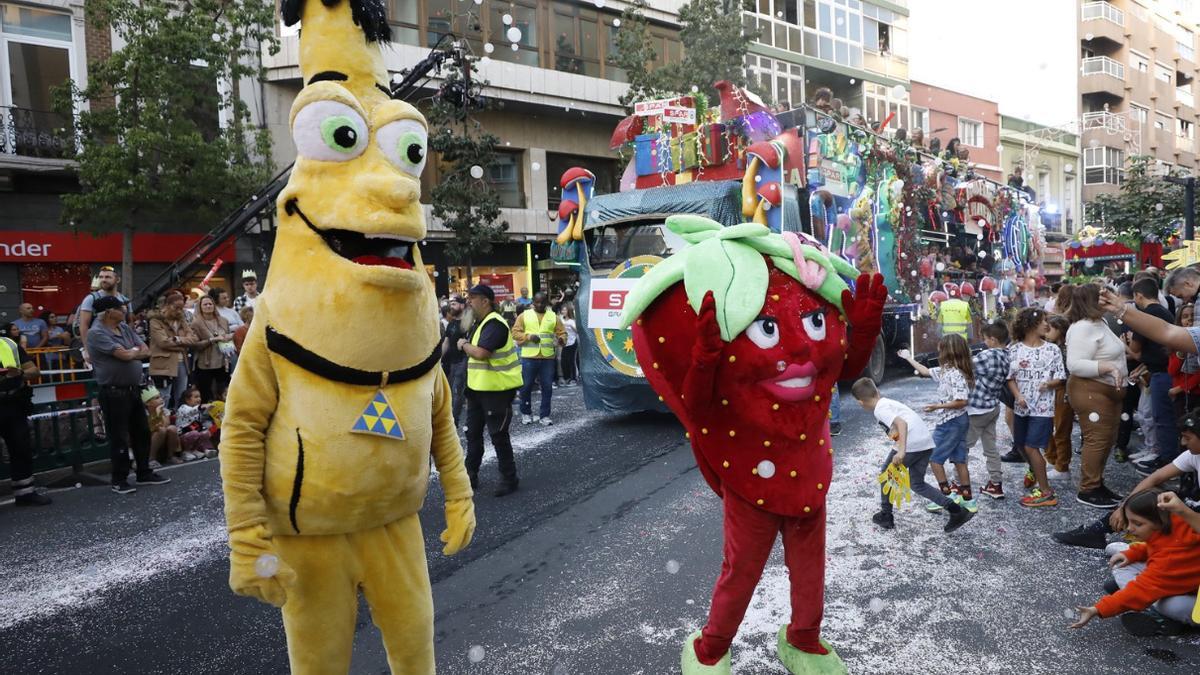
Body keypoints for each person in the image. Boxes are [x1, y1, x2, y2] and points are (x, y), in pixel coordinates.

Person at [1069, 489, 1200, 636]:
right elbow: (1155, 545)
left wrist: (1096, 609)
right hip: (1182, 581)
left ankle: (1160, 619)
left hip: (1192, 597)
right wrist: (1132, 553)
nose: (1130, 528)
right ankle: (1143, 598)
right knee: (1120, 558)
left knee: (1169, 606)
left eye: (1137, 523)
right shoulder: (1178, 521)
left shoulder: (1169, 560)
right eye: (1129, 521)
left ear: (1159, 523)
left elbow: (1140, 590)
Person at [852, 378, 974, 532]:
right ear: (877, 391)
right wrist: (898, 443)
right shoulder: (887, 403)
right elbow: (896, 429)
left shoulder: (880, 409)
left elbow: (902, 424)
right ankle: (956, 511)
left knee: (887, 475)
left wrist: (901, 451)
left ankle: (886, 515)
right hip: (925, 443)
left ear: (860, 402)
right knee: (916, 483)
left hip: (911, 445)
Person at [85, 295, 170, 494]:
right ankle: (119, 479)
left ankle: (143, 471)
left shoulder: (123, 328)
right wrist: (131, 352)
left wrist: (132, 352)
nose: (124, 311)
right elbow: (123, 354)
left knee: (141, 431)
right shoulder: (96, 333)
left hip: (133, 389)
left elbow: (145, 350)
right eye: (120, 309)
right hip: (113, 392)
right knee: (119, 437)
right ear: (108, 312)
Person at [898, 334, 977, 512]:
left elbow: (962, 401)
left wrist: (937, 406)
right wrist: (908, 358)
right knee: (959, 460)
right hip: (957, 421)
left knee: (935, 459)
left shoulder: (955, 374)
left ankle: (945, 497)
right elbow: (925, 371)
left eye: (941, 348)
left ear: (949, 351)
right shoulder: (947, 370)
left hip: (951, 422)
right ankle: (968, 500)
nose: (938, 351)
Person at [1066, 284, 1127, 509]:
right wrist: (1109, 368)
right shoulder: (1083, 327)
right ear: (1093, 300)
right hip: (1091, 389)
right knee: (1097, 440)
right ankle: (1088, 489)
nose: (1111, 298)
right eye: (1105, 296)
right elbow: (1074, 364)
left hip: (1105, 390)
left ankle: (1097, 483)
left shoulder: (1098, 322)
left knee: (1106, 440)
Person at [459, 284, 522, 496]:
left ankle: (509, 478)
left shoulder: (495, 324)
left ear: (485, 301)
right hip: (478, 390)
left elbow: (481, 353)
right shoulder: (481, 323)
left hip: (496, 392)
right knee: (473, 434)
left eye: (472, 298)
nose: (469, 301)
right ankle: (471, 475)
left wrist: (463, 345)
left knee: (498, 435)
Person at [1007, 308, 1066, 508]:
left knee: (1032, 447)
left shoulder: (1052, 350)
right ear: (1030, 325)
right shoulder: (1014, 349)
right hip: (1021, 408)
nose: (1047, 325)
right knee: (1023, 445)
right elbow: (1010, 378)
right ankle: (1037, 476)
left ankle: (1046, 492)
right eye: (1043, 321)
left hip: (1042, 409)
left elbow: (1060, 378)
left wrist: (1048, 384)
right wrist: (1018, 396)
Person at [1127, 277, 1180, 477]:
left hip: (1160, 373)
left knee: (1160, 418)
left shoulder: (1146, 317)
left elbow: (1136, 351)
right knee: (1159, 416)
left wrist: (1127, 342)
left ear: (1138, 296)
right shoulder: (1165, 313)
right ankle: (1163, 454)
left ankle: (1166, 459)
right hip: (1165, 370)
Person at [0, 330, 51, 506]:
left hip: (13, 404)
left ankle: (25, 493)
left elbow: (34, 370)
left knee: (21, 447)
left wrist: (19, 373)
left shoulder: (8, 344)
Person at [967, 321, 1011, 499]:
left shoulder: (988, 356)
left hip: (977, 409)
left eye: (985, 339)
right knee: (990, 447)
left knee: (962, 447)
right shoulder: (1007, 355)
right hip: (993, 407)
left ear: (993, 339)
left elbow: (965, 367)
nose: (984, 342)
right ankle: (995, 484)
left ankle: (958, 485)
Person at [512, 291, 566, 426]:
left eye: (542, 302)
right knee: (526, 386)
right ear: (532, 302)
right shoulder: (524, 316)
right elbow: (515, 333)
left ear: (546, 302)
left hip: (547, 357)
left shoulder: (553, 316)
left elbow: (562, 332)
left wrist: (560, 340)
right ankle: (526, 413)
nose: (540, 305)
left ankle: (545, 415)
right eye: (537, 302)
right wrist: (529, 337)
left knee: (547, 387)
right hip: (529, 357)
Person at [149, 290, 197, 409]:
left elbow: (194, 338)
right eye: (176, 307)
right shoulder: (155, 320)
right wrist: (183, 343)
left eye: (181, 308)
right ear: (167, 306)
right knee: (164, 397)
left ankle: (179, 422)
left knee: (181, 396)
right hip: (163, 364)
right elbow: (163, 342)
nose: (179, 311)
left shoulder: (181, 321)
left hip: (182, 362)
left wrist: (176, 339)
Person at [1042, 314, 1075, 479]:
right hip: (1050, 389)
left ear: (1060, 330)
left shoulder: (1067, 349)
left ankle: (1062, 466)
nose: (1046, 332)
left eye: (1050, 329)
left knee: (1061, 428)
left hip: (1062, 390)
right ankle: (1052, 459)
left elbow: (1068, 375)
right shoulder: (1049, 346)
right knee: (1048, 426)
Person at [190, 295, 232, 402]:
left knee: (223, 391)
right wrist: (212, 340)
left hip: (222, 361)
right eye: (205, 304)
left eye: (210, 303)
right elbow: (195, 345)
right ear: (200, 307)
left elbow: (228, 336)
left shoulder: (224, 320)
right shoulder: (196, 323)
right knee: (206, 393)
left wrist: (229, 336)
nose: (208, 306)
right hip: (205, 363)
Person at [76, 265, 130, 349]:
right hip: (99, 347)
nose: (103, 280)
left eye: (108, 277)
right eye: (101, 277)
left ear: (118, 280)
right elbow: (83, 326)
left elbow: (130, 323)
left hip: (122, 345)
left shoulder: (125, 300)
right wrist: (87, 349)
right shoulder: (91, 299)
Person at [440, 297, 470, 428]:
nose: (451, 306)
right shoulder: (452, 324)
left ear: (462, 306)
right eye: (450, 303)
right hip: (452, 362)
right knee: (454, 392)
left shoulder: (468, 323)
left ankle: (454, 422)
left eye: (454, 303)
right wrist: (438, 359)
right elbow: (446, 342)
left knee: (457, 391)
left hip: (464, 361)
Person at [143, 387, 182, 465]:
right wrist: (156, 415)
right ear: (148, 403)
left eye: (160, 397)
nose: (161, 399)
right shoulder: (144, 414)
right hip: (148, 441)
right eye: (157, 398)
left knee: (172, 428)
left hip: (163, 441)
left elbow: (166, 424)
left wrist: (160, 414)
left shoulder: (164, 411)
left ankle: (170, 456)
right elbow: (150, 428)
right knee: (161, 430)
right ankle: (151, 458)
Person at [176, 386, 217, 460]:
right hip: (183, 434)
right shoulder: (183, 408)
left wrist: (208, 409)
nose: (199, 399)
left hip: (194, 432)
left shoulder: (196, 409)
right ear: (187, 399)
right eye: (196, 397)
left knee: (206, 432)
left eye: (199, 396)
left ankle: (195, 450)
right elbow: (191, 411)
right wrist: (201, 407)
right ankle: (186, 451)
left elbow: (201, 419)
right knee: (194, 433)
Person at [560, 304, 578, 386]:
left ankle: (573, 379)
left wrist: (571, 326)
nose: (563, 311)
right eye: (562, 310)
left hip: (572, 342)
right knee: (563, 361)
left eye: (565, 310)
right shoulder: (561, 320)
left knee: (571, 361)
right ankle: (566, 378)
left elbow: (577, 331)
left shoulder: (572, 321)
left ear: (569, 311)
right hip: (564, 343)